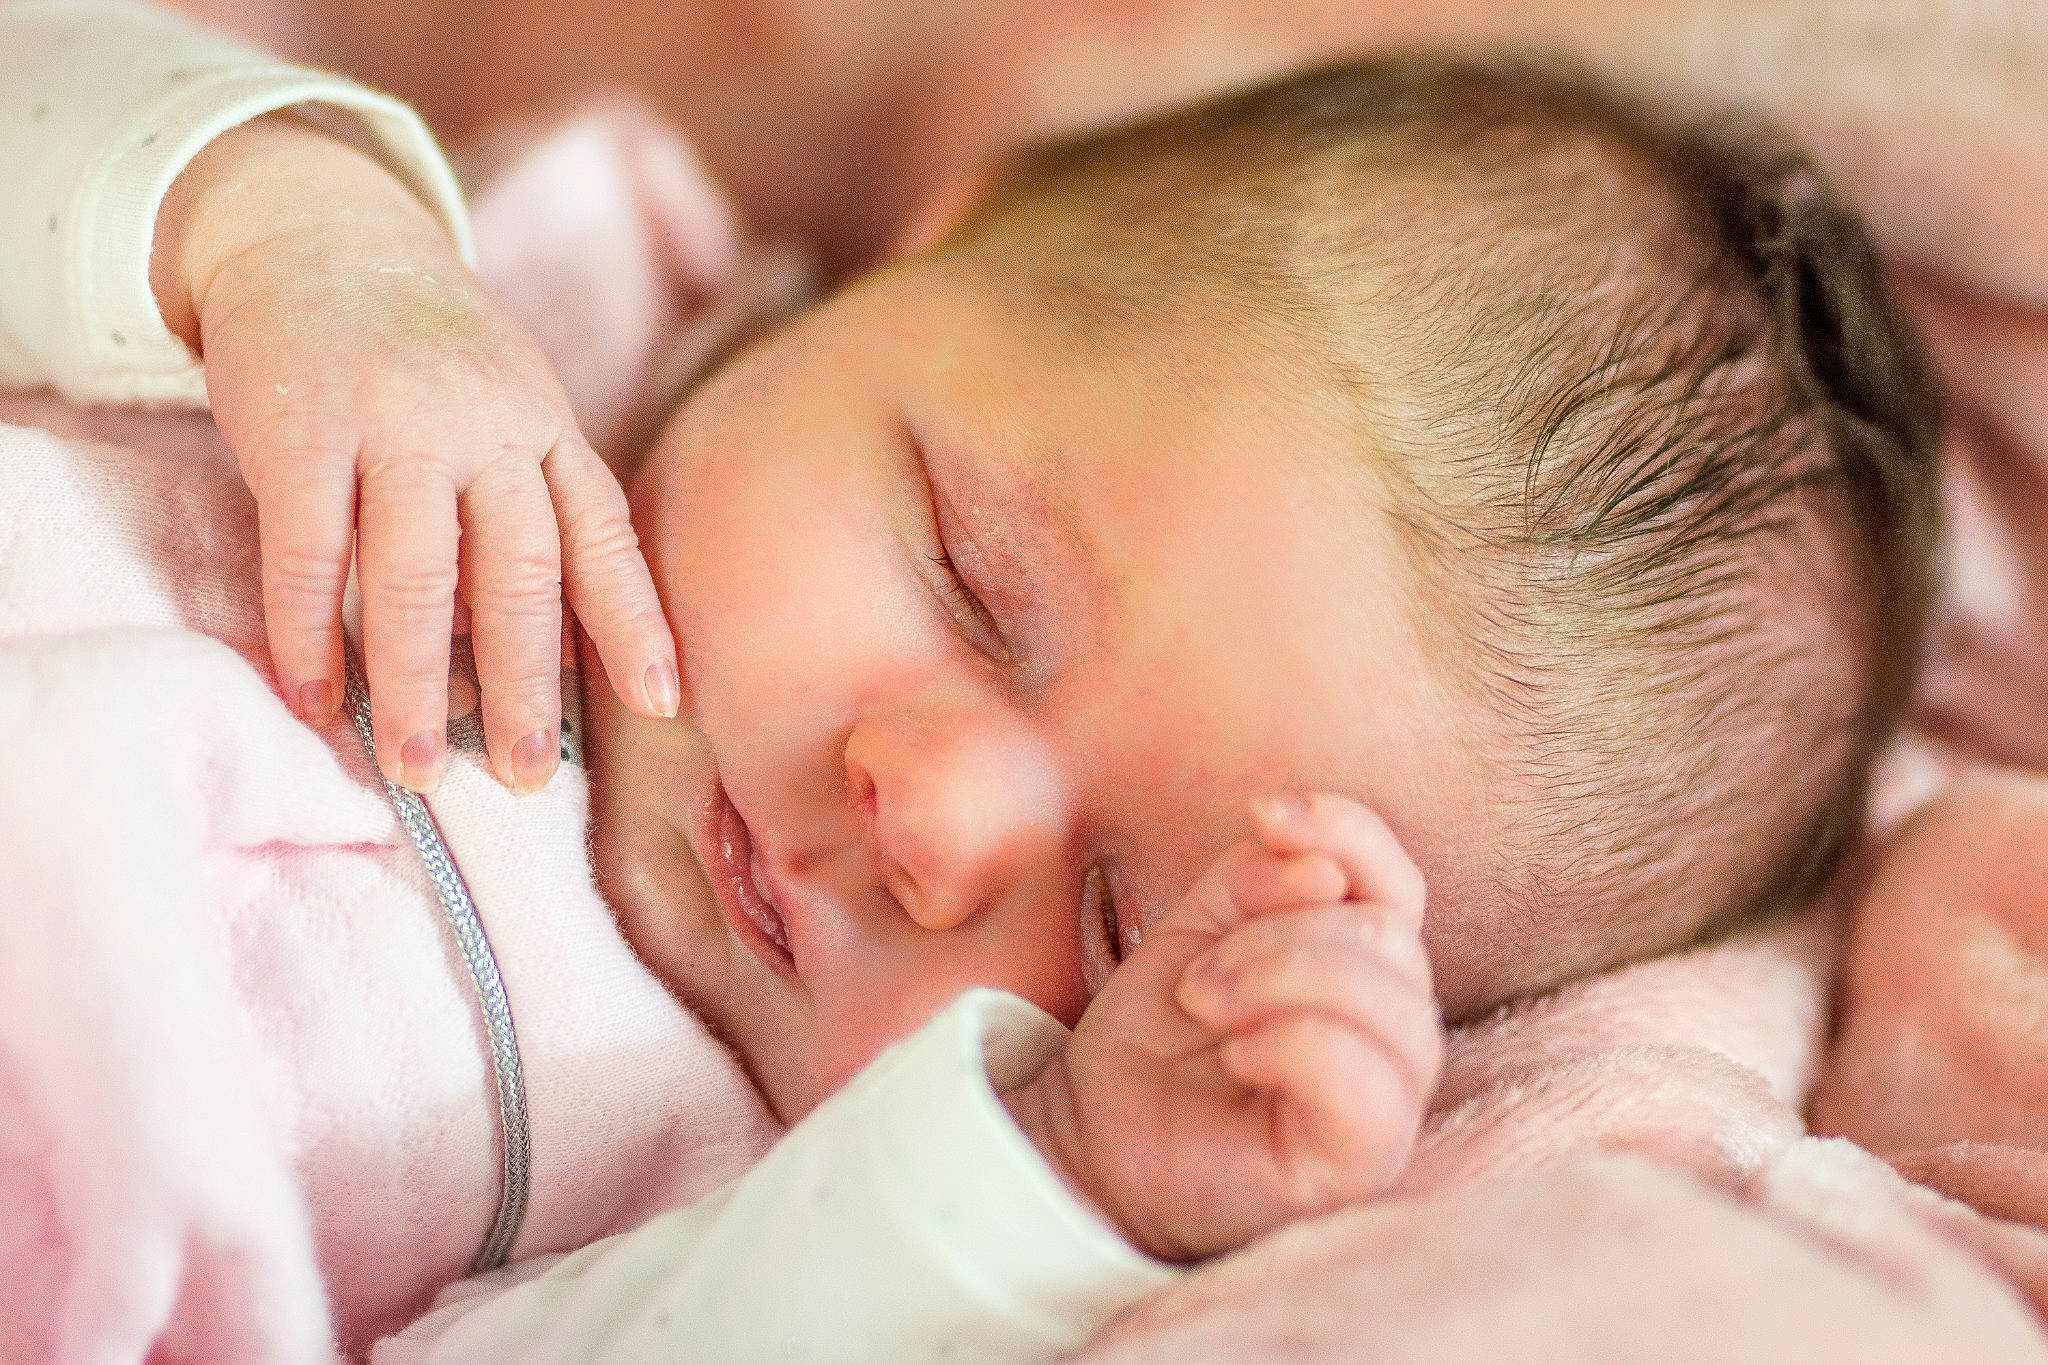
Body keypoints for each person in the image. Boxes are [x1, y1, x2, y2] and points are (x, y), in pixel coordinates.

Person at [0, 1, 1939, 1358]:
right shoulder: (520, 284)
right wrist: (281, 229)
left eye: (1108, 920)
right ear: (910, 266)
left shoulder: (755, 1187)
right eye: (971, 577)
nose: (925, 823)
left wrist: (1054, 1177)